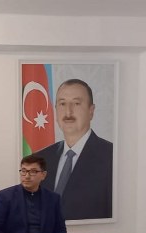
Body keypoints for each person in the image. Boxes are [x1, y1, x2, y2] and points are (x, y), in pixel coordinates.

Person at [35, 78, 113, 220]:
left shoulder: (111, 156)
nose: (68, 112)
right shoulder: (40, 158)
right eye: (62, 104)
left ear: (91, 111)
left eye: (76, 103)